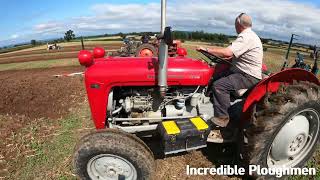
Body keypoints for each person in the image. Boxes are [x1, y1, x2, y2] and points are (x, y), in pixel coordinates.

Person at [197, 13, 263, 131]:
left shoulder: (246, 37)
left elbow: (228, 52)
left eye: (234, 24)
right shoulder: (249, 36)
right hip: (240, 72)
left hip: (248, 76)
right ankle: (206, 105)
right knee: (213, 78)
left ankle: (223, 118)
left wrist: (206, 49)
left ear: (238, 24)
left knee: (219, 86)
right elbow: (232, 56)